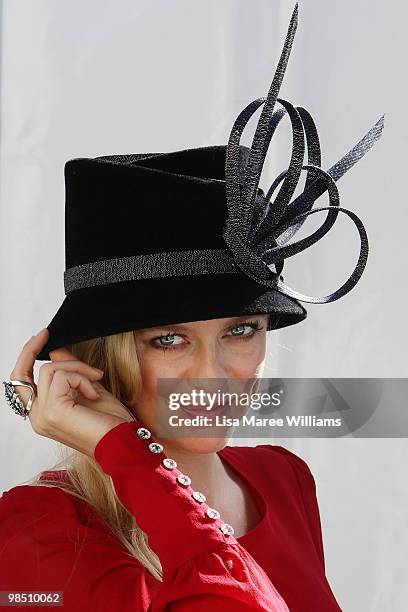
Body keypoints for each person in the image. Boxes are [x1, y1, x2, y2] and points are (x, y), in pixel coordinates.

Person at [1, 4, 383, 611]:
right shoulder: (39, 531)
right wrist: (128, 455)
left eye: (239, 329)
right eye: (168, 339)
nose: (213, 374)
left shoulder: (282, 479)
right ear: (102, 356)